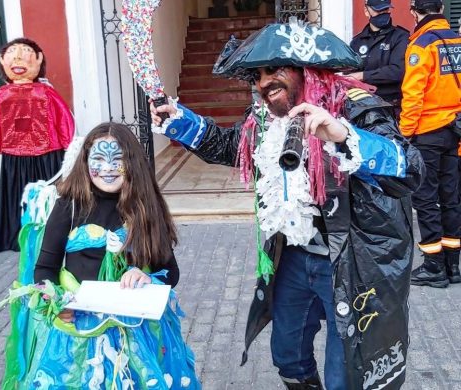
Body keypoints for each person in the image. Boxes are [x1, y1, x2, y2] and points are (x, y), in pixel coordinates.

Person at [150, 19, 423, 390]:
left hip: (352, 262)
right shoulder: (264, 118)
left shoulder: (355, 107)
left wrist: (343, 136)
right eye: (258, 75)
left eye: (275, 69)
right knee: (288, 357)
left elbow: (409, 168)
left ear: (306, 69)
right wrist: (180, 121)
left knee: (346, 374)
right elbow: (232, 148)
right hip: (293, 256)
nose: (263, 83)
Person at [0, 123, 200, 389]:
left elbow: (171, 273)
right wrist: (57, 302)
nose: (107, 168)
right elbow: (45, 268)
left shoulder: (145, 208)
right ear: (85, 162)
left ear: (133, 164)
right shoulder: (68, 206)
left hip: (138, 332)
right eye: (98, 159)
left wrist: (147, 276)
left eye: (117, 160)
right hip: (80, 333)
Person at [0, 38, 75, 253]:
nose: (17, 57)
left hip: (48, 155)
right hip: (15, 157)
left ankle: (51, 235)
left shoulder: (47, 93)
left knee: (50, 197)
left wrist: (70, 154)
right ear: (2, 60)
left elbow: (65, 122)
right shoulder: (1, 96)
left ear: (38, 58)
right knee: (19, 199)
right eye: (12, 53)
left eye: (25, 52)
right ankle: (20, 237)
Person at [399, 0, 461, 287]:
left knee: (425, 199)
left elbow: (413, 96)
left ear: (414, 13)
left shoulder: (421, 46)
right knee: (450, 198)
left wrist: (405, 134)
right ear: (441, 10)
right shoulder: (458, 41)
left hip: (428, 132)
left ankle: (434, 266)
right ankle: (453, 265)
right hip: (455, 131)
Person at [349, 0, 410, 118]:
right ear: (367, 11)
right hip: (363, 109)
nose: (383, 13)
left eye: (386, 9)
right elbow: (350, 75)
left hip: (392, 109)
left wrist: (362, 75)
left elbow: (397, 71)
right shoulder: (357, 41)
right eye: (379, 10)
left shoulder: (401, 37)